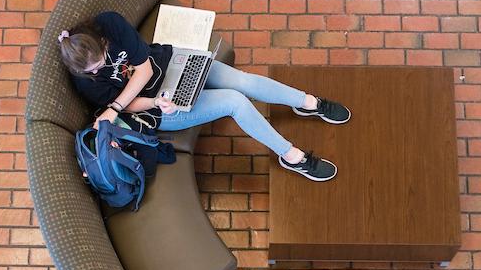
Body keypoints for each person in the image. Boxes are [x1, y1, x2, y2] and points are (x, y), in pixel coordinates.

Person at [58, 11, 351, 182]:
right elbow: (132, 105)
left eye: (102, 59)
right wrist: (155, 102)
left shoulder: (109, 23)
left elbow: (145, 69)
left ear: (100, 40)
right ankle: (291, 155)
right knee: (235, 101)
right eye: (95, 69)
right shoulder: (85, 82)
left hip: (171, 64)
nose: (102, 67)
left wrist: (116, 105)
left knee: (242, 80)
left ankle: (308, 103)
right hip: (159, 109)